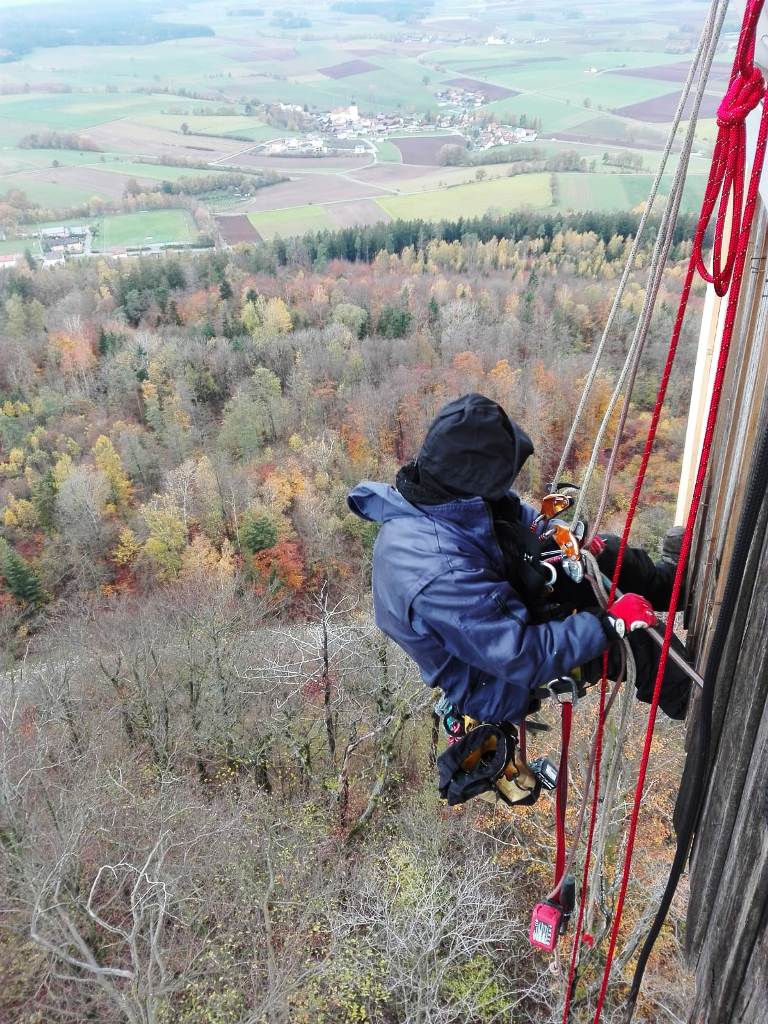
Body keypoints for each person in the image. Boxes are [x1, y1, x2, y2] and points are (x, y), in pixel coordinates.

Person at [347, 393, 691, 727]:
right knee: (635, 642)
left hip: (500, 600)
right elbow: (521, 655)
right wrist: (609, 625)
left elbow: (514, 517)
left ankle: (674, 586)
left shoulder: (447, 494)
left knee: (607, 554)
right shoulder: (439, 574)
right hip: (499, 676)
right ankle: (695, 701)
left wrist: (562, 538)